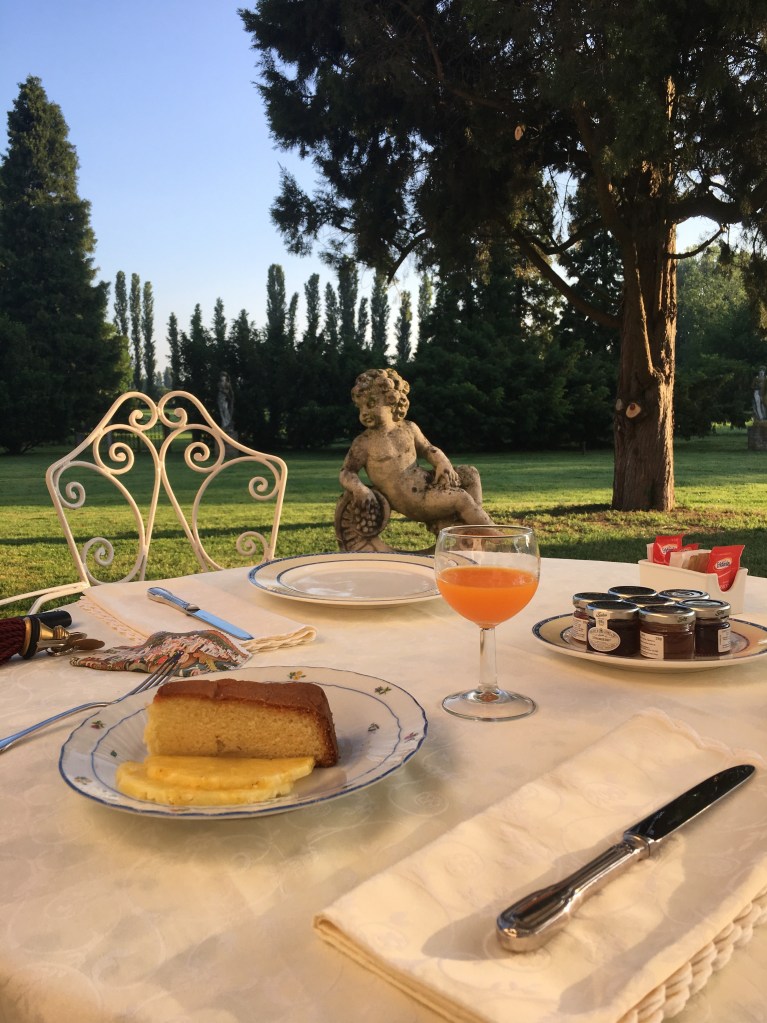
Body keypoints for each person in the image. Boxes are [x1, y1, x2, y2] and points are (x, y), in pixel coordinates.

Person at [339, 368, 494, 533]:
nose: (364, 413)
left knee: (470, 473)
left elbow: (428, 449)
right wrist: (360, 489)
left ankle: (467, 528)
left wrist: (442, 462)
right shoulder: (363, 443)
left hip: (426, 483)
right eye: (360, 407)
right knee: (461, 498)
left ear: (391, 401)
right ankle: (492, 536)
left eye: (370, 404)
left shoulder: (409, 428)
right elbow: (346, 472)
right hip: (415, 500)